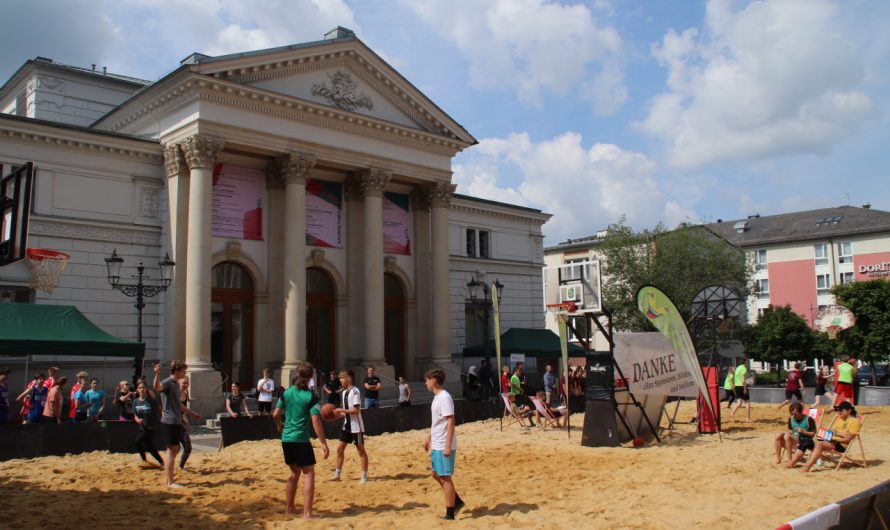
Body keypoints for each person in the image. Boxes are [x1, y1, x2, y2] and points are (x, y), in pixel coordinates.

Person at [273, 362, 330, 519]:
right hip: (300, 439)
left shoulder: (286, 393)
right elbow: (316, 421)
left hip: (286, 438)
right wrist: (324, 443)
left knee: (293, 473)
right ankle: (307, 513)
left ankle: (289, 508)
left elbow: (275, 414)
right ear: (311, 377)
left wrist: (279, 426)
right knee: (309, 474)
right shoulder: (311, 396)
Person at [423, 368, 465, 520]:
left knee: (445, 476)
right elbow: (437, 422)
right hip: (437, 442)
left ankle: (450, 512)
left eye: (427, 380)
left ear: (433, 380)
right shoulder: (437, 398)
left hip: (443, 444)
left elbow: (451, 421)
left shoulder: (445, 397)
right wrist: (429, 437)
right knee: (435, 474)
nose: (425, 383)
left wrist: (447, 446)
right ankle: (457, 501)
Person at [153, 360, 190, 488]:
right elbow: (157, 388)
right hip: (169, 421)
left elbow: (178, 404)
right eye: (184, 370)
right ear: (178, 371)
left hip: (175, 421)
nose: (185, 373)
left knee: (174, 450)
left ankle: (170, 479)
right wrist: (157, 374)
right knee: (171, 452)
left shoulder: (175, 384)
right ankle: (170, 481)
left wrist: (190, 414)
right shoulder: (168, 382)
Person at [332, 369, 369, 483]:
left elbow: (356, 410)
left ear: (349, 378)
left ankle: (364, 476)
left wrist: (341, 410)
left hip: (356, 426)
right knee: (339, 449)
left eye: (342, 378)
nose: (341, 380)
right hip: (346, 425)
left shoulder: (355, 391)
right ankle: (337, 474)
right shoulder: (343, 392)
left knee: (360, 451)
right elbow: (346, 411)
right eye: (340, 378)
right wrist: (335, 415)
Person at [802, 401, 860, 472]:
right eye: (839, 410)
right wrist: (837, 434)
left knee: (820, 444)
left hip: (841, 445)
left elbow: (847, 439)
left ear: (849, 411)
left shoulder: (854, 421)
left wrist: (835, 437)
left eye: (841, 410)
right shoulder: (839, 419)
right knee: (815, 439)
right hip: (832, 440)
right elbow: (832, 431)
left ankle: (807, 467)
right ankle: (817, 459)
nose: (839, 412)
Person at [133, 380, 164, 468]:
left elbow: (160, 410)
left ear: (146, 389)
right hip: (143, 426)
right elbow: (135, 415)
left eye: (143, 387)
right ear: (137, 390)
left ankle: (144, 460)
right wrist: (138, 420)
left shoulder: (151, 400)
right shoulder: (135, 402)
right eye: (140, 388)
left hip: (152, 426)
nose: (142, 389)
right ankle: (161, 462)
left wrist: (163, 419)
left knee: (137, 441)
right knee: (149, 446)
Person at [783, 403, 817, 468]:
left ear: (801, 412)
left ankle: (790, 461)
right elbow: (790, 430)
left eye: (795, 414)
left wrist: (803, 432)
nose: (793, 415)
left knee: (787, 436)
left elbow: (813, 434)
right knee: (779, 435)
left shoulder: (809, 419)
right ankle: (789, 460)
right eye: (791, 413)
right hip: (796, 437)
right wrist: (794, 432)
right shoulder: (791, 418)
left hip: (807, 439)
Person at [178, 378, 201, 470]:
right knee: (174, 448)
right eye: (184, 383)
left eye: (187, 383)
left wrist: (185, 419)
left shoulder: (186, 393)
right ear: (179, 383)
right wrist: (193, 414)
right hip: (173, 422)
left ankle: (181, 466)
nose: (186, 384)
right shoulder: (175, 394)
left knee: (187, 447)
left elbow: (184, 411)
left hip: (180, 422)